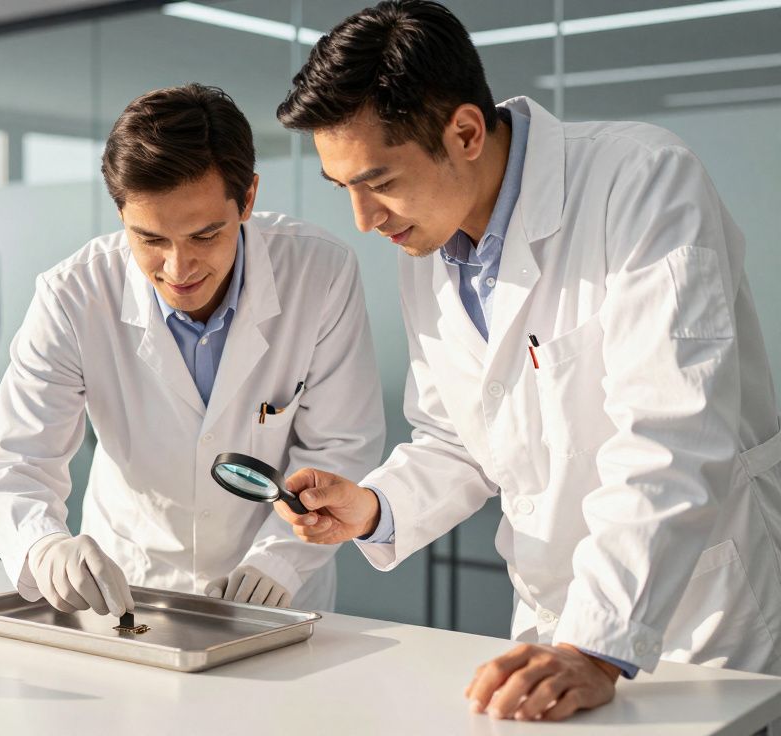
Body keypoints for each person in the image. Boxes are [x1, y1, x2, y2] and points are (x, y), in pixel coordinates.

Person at [274, 0, 781, 722]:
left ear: (466, 131)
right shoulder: (428, 241)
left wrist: (596, 645)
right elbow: (460, 435)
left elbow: (672, 435)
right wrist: (374, 507)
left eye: (379, 182)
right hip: (553, 626)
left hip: (695, 618)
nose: (364, 219)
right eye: (344, 189)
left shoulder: (643, 183)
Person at [0, 84, 385, 617]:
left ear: (248, 199)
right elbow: (14, 463)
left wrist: (279, 562)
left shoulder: (319, 273)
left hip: (278, 594)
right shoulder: (73, 296)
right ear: (121, 216)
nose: (178, 269)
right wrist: (44, 546)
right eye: (151, 240)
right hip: (129, 590)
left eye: (205, 235)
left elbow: (341, 446)